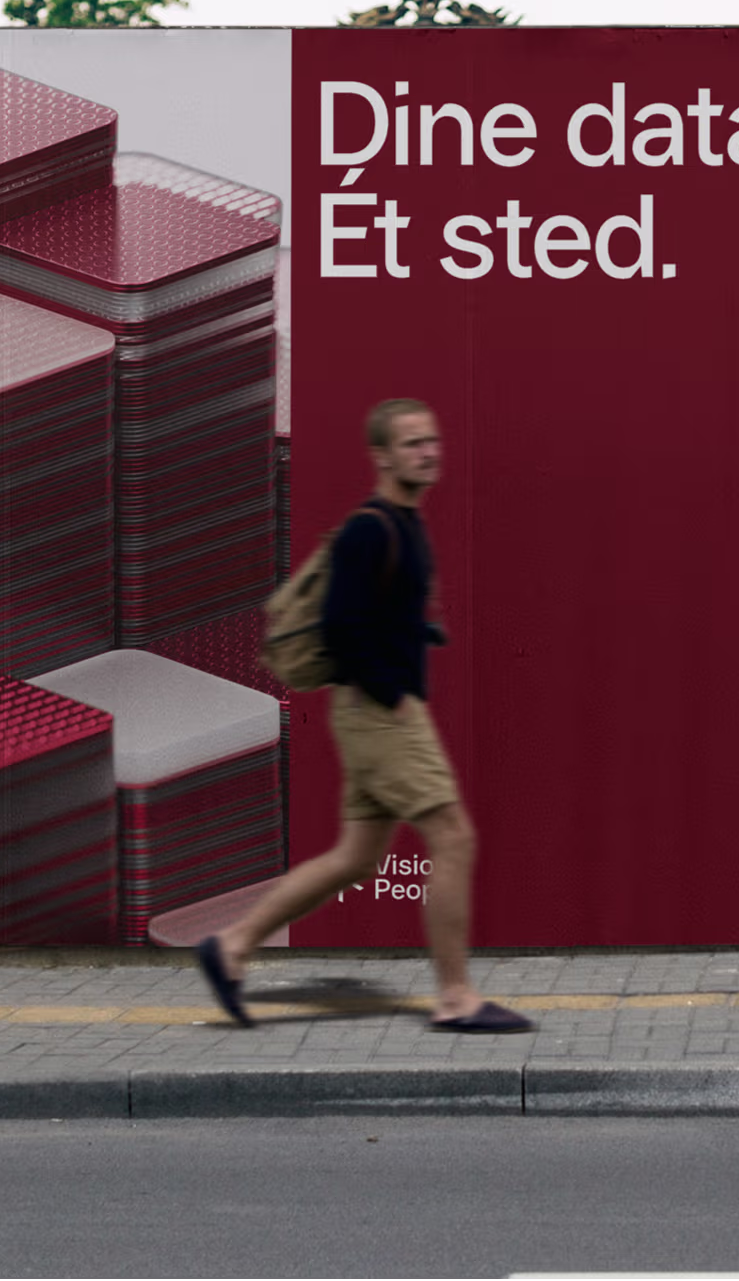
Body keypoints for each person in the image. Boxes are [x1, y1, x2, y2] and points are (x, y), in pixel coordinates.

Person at [197, 398, 530, 1033]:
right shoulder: (369, 529)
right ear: (381, 456)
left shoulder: (404, 524)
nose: (427, 452)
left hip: (375, 711)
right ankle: (456, 996)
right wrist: (392, 691)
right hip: (382, 714)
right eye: (411, 444)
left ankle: (233, 945)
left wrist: (416, 638)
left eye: (431, 441)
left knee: (355, 858)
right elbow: (345, 627)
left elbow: (377, 617)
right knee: (454, 837)